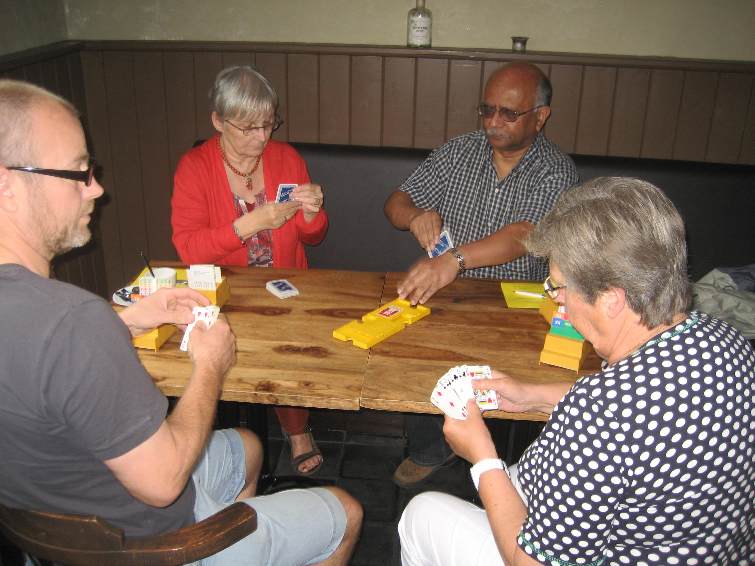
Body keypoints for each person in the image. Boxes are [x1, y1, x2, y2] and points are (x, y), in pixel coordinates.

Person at [0, 79, 362, 565]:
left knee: (248, 447)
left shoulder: (61, 322)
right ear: (7, 187)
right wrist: (211, 364)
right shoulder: (72, 323)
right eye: (79, 171)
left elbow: (40, 361)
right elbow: (163, 483)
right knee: (347, 510)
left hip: (55, 518)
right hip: (154, 544)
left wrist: (121, 321)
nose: (97, 187)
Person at [398, 177, 755, 565]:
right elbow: (634, 412)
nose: (557, 299)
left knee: (422, 513)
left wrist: (481, 455)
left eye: (561, 286)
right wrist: (532, 395)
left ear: (612, 299)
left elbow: (530, 562)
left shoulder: (598, 415)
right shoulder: (726, 339)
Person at [384, 62, 579, 486]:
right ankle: (431, 449)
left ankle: (511, 464)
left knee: (515, 376)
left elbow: (525, 234)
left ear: (541, 116)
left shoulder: (556, 169)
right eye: (487, 110)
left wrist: (452, 260)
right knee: (415, 350)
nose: (493, 122)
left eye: (508, 113)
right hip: (448, 291)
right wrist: (415, 215)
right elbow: (395, 201)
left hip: (519, 300)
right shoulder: (459, 150)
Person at [171, 65, 327, 476]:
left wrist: (311, 212)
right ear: (218, 122)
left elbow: (313, 237)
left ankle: (296, 427)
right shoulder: (194, 167)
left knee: (292, 346)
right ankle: (219, 436)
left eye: (268, 123)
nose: (263, 137)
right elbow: (188, 248)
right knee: (215, 347)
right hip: (226, 290)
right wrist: (252, 224)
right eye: (249, 128)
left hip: (288, 282)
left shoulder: (286, 157)